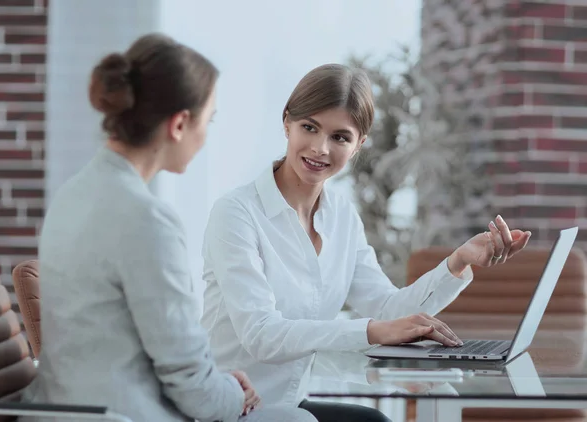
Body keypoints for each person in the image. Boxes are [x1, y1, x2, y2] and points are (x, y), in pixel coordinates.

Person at [200, 63, 532, 422]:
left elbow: (388, 308)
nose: (320, 148)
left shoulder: (342, 217)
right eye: (309, 128)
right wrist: (373, 330)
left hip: (289, 403)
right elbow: (261, 335)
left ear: (359, 145)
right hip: (230, 408)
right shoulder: (236, 214)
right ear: (286, 123)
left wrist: (458, 262)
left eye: (340, 137)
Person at [21, 33, 317, 422]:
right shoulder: (147, 220)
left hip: (70, 407)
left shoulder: (71, 195)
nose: (206, 137)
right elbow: (191, 386)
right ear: (179, 124)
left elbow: (151, 354)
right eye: (208, 121)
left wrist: (216, 382)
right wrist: (231, 392)